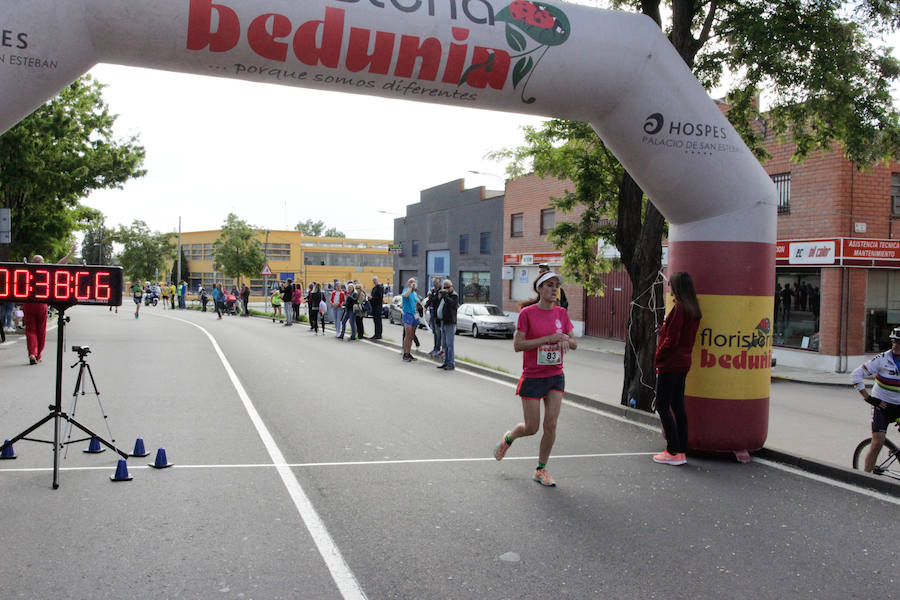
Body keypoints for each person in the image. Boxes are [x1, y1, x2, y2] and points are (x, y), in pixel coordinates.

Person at [492, 271, 577, 487]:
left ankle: (541, 469)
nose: (554, 289)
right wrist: (547, 339)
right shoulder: (527, 314)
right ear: (539, 289)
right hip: (533, 376)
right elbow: (518, 345)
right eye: (549, 285)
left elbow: (574, 342)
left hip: (555, 376)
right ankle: (509, 438)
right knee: (532, 427)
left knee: (551, 424)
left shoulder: (561, 313)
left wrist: (566, 339)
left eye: (556, 285)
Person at [652, 271, 702, 466]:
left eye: (670, 285)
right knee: (678, 406)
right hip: (683, 363)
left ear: (677, 287)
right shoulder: (692, 309)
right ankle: (681, 450)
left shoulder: (679, 309)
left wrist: (658, 355)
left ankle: (672, 450)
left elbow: (672, 340)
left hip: (670, 363)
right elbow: (678, 335)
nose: (668, 287)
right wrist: (663, 330)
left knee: (662, 406)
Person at [851, 326, 900, 472]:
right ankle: (865, 478)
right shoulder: (882, 359)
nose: (896, 345)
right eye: (894, 342)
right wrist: (869, 399)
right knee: (878, 441)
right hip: (882, 406)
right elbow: (855, 375)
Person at [22, 245, 76, 364]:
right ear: (42, 262)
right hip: (41, 304)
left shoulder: (26, 271)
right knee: (41, 331)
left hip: (28, 303)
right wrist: (70, 253)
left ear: (32, 262)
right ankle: (38, 355)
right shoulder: (46, 272)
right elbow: (60, 265)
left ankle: (32, 352)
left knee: (30, 330)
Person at [436, 279, 459, 370]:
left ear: (451, 287)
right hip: (443, 321)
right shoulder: (444, 296)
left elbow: (451, 304)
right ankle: (445, 362)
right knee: (444, 344)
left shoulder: (454, 295)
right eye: (444, 287)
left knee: (450, 344)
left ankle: (451, 363)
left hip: (450, 322)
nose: (446, 289)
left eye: (447, 287)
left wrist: (445, 295)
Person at [401, 278, 419, 362]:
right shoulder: (406, 290)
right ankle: (405, 353)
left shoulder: (415, 293)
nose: (413, 283)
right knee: (407, 335)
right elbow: (405, 296)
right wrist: (410, 288)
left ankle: (409, 352)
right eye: (411, 282)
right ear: (408, 284)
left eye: (414, 282)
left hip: (414, 314)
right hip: (407, 314)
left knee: (412, 336)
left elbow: (416, 303)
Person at [425, 277, 443, 356]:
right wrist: (425, 307)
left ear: (440, 283)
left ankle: (438, 349)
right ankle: (435, 348)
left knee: (438, 333)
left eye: (436, 282)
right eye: (434, 282)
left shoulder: (441, 291)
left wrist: (430, 295)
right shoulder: (433, 291)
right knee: (435, 333)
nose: (435, 284)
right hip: (432, 314)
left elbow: (436, 300)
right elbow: (430, 300)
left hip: (437, 315)